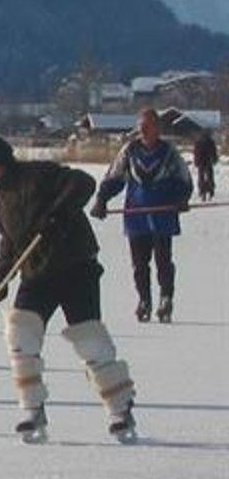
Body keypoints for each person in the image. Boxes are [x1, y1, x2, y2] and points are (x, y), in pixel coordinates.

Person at [0, 135, 136, 442]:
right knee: (20, 336)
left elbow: (83, 183)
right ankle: (32, 409)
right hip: (36, 276)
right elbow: (10, 244)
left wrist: (58, 213)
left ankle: (120, 409)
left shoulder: (40, 174)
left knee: (90, 340)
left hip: (76, 267)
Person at [93, 107, 191, 323]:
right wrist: (102, 199)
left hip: (162, 215)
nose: (144, 131)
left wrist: (181, 199)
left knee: (163, 261)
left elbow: (183, 179)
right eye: (141, 127)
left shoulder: (169, 153)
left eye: (148, 126)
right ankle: (144, 300)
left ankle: (166, 298)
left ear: (157, 128)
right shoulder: (130, 151)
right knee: (139, 264)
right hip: (136, 216)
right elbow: (115, 177)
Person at [193, 128, 218, 202]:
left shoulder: (198, 141)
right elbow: (213, 151)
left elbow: (196, 152)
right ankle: (211, 190)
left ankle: (201, 190)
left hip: (201, 161)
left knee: (201, 176)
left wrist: (196, 161)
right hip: (208, 160)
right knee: (210, 175)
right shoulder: (211, 141)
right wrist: (214, 159)